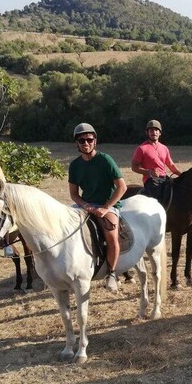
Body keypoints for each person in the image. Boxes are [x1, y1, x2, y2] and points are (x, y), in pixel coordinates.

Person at [68, 123, 127, 292]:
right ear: (77, 143)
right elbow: (74, 194)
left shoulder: (105, 160)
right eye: (81, 140)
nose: (85, 143)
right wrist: (85, 205)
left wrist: (106, 207)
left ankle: (112, 274)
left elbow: (121, 187)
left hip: (108, 205)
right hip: (86, 205)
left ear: (95, 141)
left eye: (89, 139)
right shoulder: (74, 165)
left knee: (111, 236)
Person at [131, 120, 182, 192]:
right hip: (150, 181)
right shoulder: (141, 148)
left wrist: (182, 175)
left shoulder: (164, 148)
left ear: (160, 133)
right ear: (147, 132)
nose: (154, 132)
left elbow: (171, 165)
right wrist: (150, 172)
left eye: (156, 130)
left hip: (164, 179)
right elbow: (134, 167)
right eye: (151, 130)